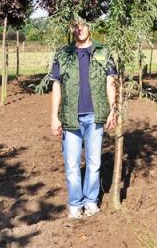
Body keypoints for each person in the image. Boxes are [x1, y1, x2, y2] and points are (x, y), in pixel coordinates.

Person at [50, 19, 117, 219]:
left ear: (90, 27)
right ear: (71, 28)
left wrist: (112, 110)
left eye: (84, 25)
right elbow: (56, 86)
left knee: (94, 163)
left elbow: (110, 82)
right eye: (76, 26)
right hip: (70, 118)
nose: (80, 29)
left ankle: (90, 202)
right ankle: (74, 205)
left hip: (95, 116)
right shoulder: (63, 53)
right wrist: (54, 117)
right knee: (72, 165)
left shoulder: (103, 52)